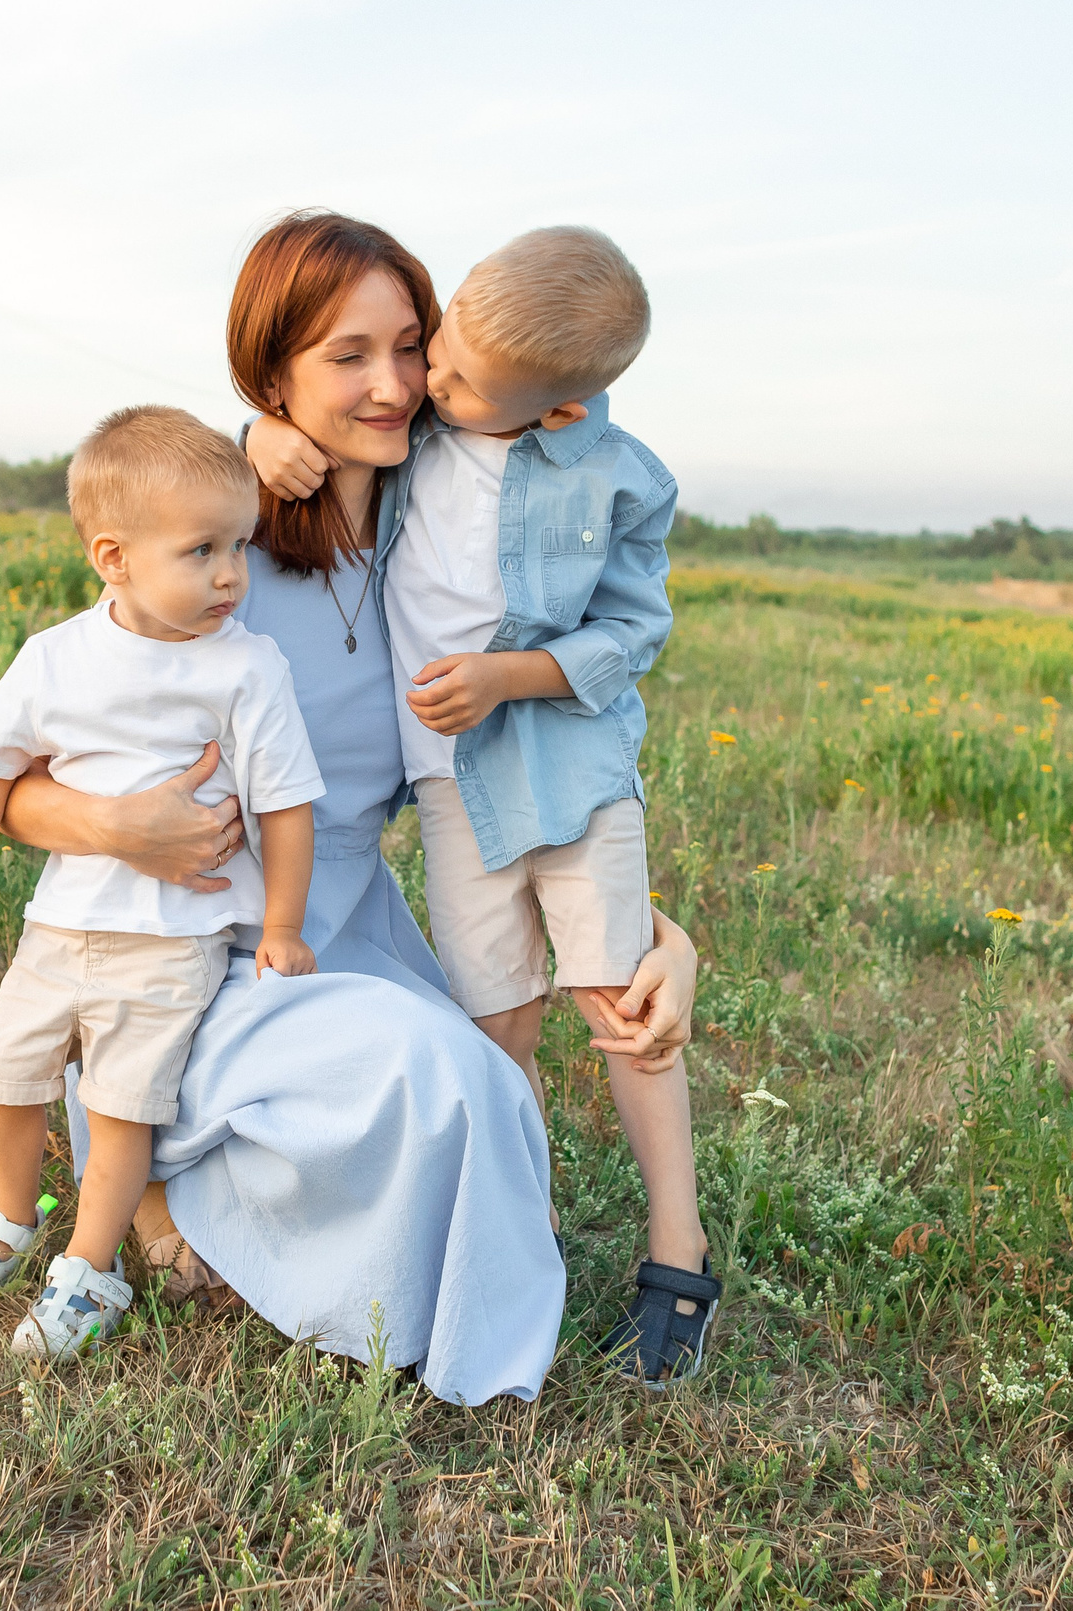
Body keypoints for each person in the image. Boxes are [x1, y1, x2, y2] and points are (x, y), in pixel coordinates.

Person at [0, 211, 700, 1405]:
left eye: (408, 347)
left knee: (471, 1080)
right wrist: (118, 827)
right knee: (454, 1079)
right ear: (272, 377)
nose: (391, 385)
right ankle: (171, 1192)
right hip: (186, 945)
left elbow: (524, 779)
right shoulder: (212, 535)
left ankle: (305, 1239)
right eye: (343, 356)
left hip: (347, 922)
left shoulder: (447, 516)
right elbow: (14, 790)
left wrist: (660, 939)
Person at [247, 225, 714, 1386]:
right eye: (430, 353)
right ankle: (523, 1231)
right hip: (452, 793)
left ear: (556, 409)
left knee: (617, 998)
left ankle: (679, 1248)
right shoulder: (419, 444)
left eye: (444, 374)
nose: (419, 387)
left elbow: (632, 632)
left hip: (565, 771)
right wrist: (261, 433)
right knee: (492, 1014)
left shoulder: (614, 476)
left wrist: (512, 676)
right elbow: (311, 425)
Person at [0, 406, 325, 1362]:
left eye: (240, 547)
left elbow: (288, 805)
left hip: (170, 940)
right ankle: (9, 1220)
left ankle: (90, 1269)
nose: (232, 574)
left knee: (120, 1110)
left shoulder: (247, 668)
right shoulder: (56, 656)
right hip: (59, 923)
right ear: (115, 556)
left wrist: (283, 922)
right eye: (202, 551)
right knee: (4, 1077)